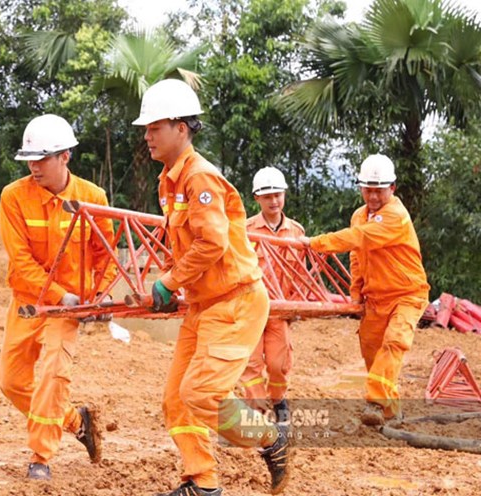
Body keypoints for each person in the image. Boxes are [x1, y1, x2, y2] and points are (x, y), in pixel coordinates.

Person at [132, 79, 291, 496]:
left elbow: (213, 242)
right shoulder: (169, 180)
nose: (147, 135)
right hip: (204, 304)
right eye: (146, 128)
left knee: (201, 394)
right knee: (176, 399)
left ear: (181, 128)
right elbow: (181, 244)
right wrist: (173, 287)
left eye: (155, 127)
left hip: (235, 301)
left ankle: (271, 439)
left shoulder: (200, 178)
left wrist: (168, 282)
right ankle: (202, 482)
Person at [0, 114, 117, 480]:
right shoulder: (14, 197)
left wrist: (97, 297)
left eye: (42, 159)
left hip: (68, 311)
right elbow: (21, 262)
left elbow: (106, 256)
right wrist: (62, 295)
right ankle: (74, 420)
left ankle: (40, 458)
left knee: (52, 373)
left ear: (65, 156)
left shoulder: (92, 199)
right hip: (30, 301)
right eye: (29, 160)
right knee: (11, 382)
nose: (34, 166)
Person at [299, 154, 429, 426]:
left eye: (378, 190)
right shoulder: (359, 215)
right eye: (367, 189)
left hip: (407, 294)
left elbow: (357, 238)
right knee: (372, 350)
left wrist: (316, 243)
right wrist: (356, 292)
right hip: (375, 297)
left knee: (394, 341)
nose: (372, 196)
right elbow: (357, 256)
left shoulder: (396, 215)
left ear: (391, 189)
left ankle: (374, 402)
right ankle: (391, 410)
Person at [240, 167, 304, 421]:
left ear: (284, 194)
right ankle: (256, 410)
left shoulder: (296, 232)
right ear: (257, 198)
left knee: (279, 363)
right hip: (251, 309)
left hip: (280, 310)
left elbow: (300, 274)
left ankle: (278, 400)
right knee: (251, 363)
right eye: (267, 197)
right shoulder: (245, 230)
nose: (274, 201)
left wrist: (296, 308)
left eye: (278, 195)